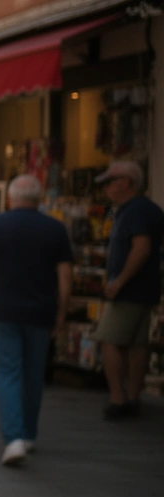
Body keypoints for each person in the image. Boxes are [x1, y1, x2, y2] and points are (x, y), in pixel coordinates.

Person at [0, 175, 72, 465]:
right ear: (38, 199)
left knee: (7, 373)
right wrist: (61, 312)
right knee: (33, 374)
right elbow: (65, 276)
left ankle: (13, 439)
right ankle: (28, 434)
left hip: (4, 311)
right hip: (41, 311)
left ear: (10, 198)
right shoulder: (55, 229)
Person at [92, 160, 163, 419]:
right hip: (141, 289)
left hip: (130, 291)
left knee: (109, 339)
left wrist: (119, 281)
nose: (106, 188)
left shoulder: (137, 210)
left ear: (126, 182)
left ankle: (119, 398)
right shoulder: (137, 209)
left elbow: (141, 248)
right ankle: (132, 397)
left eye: (110, 182)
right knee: (137, 344)